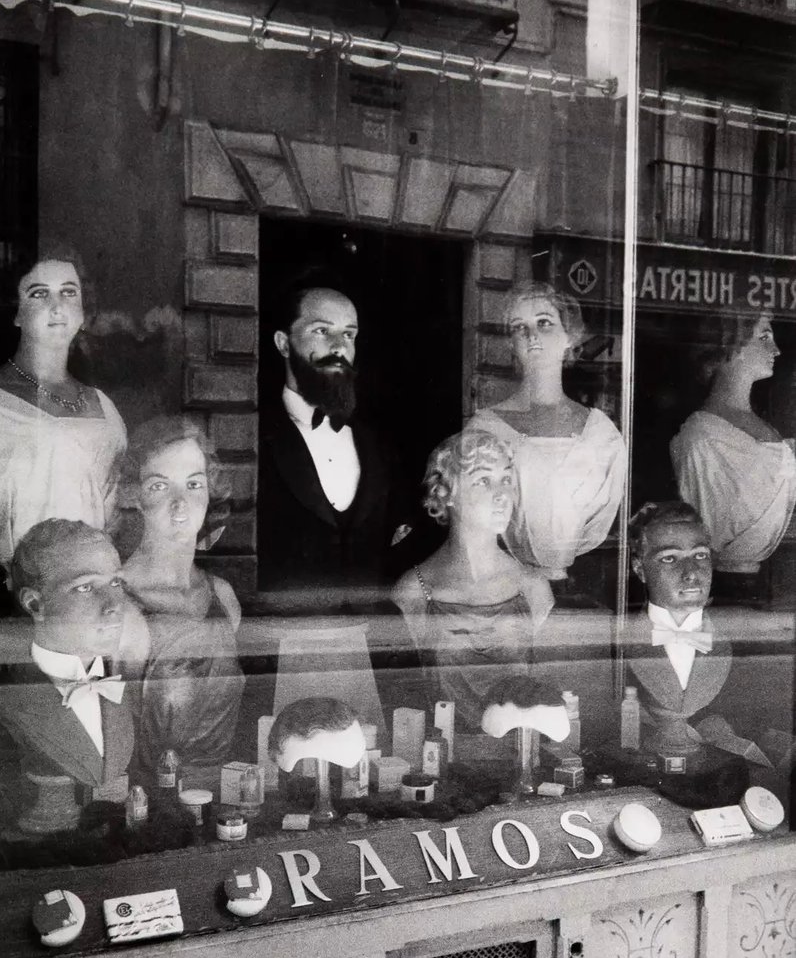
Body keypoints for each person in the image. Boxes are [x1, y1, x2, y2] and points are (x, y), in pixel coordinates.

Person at [257, 272, 410, 608]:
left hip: (366, 646)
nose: (340, 347)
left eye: (349, 334)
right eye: (322, 331)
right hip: (283, 647)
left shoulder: (379, 447)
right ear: (283, 343)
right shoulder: (253, 440)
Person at [392, 430, 554, 730]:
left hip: (521, 754)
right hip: (440, 758)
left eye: (506, 480)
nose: (502, 495)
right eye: (483, 480)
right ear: (446, 493)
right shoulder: (413, 591)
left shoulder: (533, 588)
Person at [0, 520, 136, 835]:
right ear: (35, 604)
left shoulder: (121, 687)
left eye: (116, 584)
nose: (113, 606)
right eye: (86, 587)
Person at [468, 281, 626, 583]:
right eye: (518, 327)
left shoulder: (600, 432)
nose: (531, 335)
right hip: (502, 589)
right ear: (510, 343)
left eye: (544, 322)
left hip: (574, 591)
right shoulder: (485, 428)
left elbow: (601, 518)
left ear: (569, 335)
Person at [0, 245, 127, 574]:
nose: (57, 306)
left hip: (90, 588)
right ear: (17, 312)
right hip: (10, 591)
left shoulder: (104, 407)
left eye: (68, 292)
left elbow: (113, 516)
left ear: (81, 311)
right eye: (39, 294)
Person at [117, 416, 244, 782]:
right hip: (144, 811)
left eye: (194, 484)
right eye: (159, 486)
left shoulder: (222, 597)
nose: (180, 504)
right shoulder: (120, 603)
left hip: (220, 803)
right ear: (133, 496)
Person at [670, 312, 796, 596]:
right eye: (764, 338)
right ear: (730, 346)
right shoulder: (702, 437)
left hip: (762, 587)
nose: (775, 350)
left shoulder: (765, 427)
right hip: (723, 588)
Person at [626, 500, 732, 753]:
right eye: (670, 558)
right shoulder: (617, 644)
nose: (691, 573)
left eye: (700, 555)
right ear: (640, 568)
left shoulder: (737, 644)